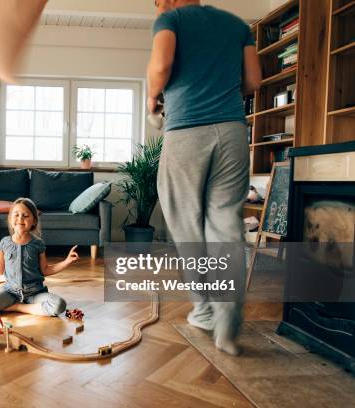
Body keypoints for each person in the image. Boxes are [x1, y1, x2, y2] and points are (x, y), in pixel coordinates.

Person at [148, 0, 262, 355]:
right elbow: (254, 81)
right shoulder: (236, 24)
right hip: (232, 132)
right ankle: (228, 323)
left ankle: (205, 310)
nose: (156, 4)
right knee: (225, 224)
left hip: (186, 131)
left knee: (185, 226)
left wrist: (154, 96)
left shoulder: (170, 19)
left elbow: (162, 64)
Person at [0, 198, 77, 316]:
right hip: (9, 293)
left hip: (35, 294)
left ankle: (17, 307)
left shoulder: (38, 244)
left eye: (25, 215)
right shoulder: (5, 242)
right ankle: (24, 307)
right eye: (16, 215)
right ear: (10, 219)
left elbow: (46, 270)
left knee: (59, 305)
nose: (20, 219)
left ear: (34, 221)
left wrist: (66, 261)